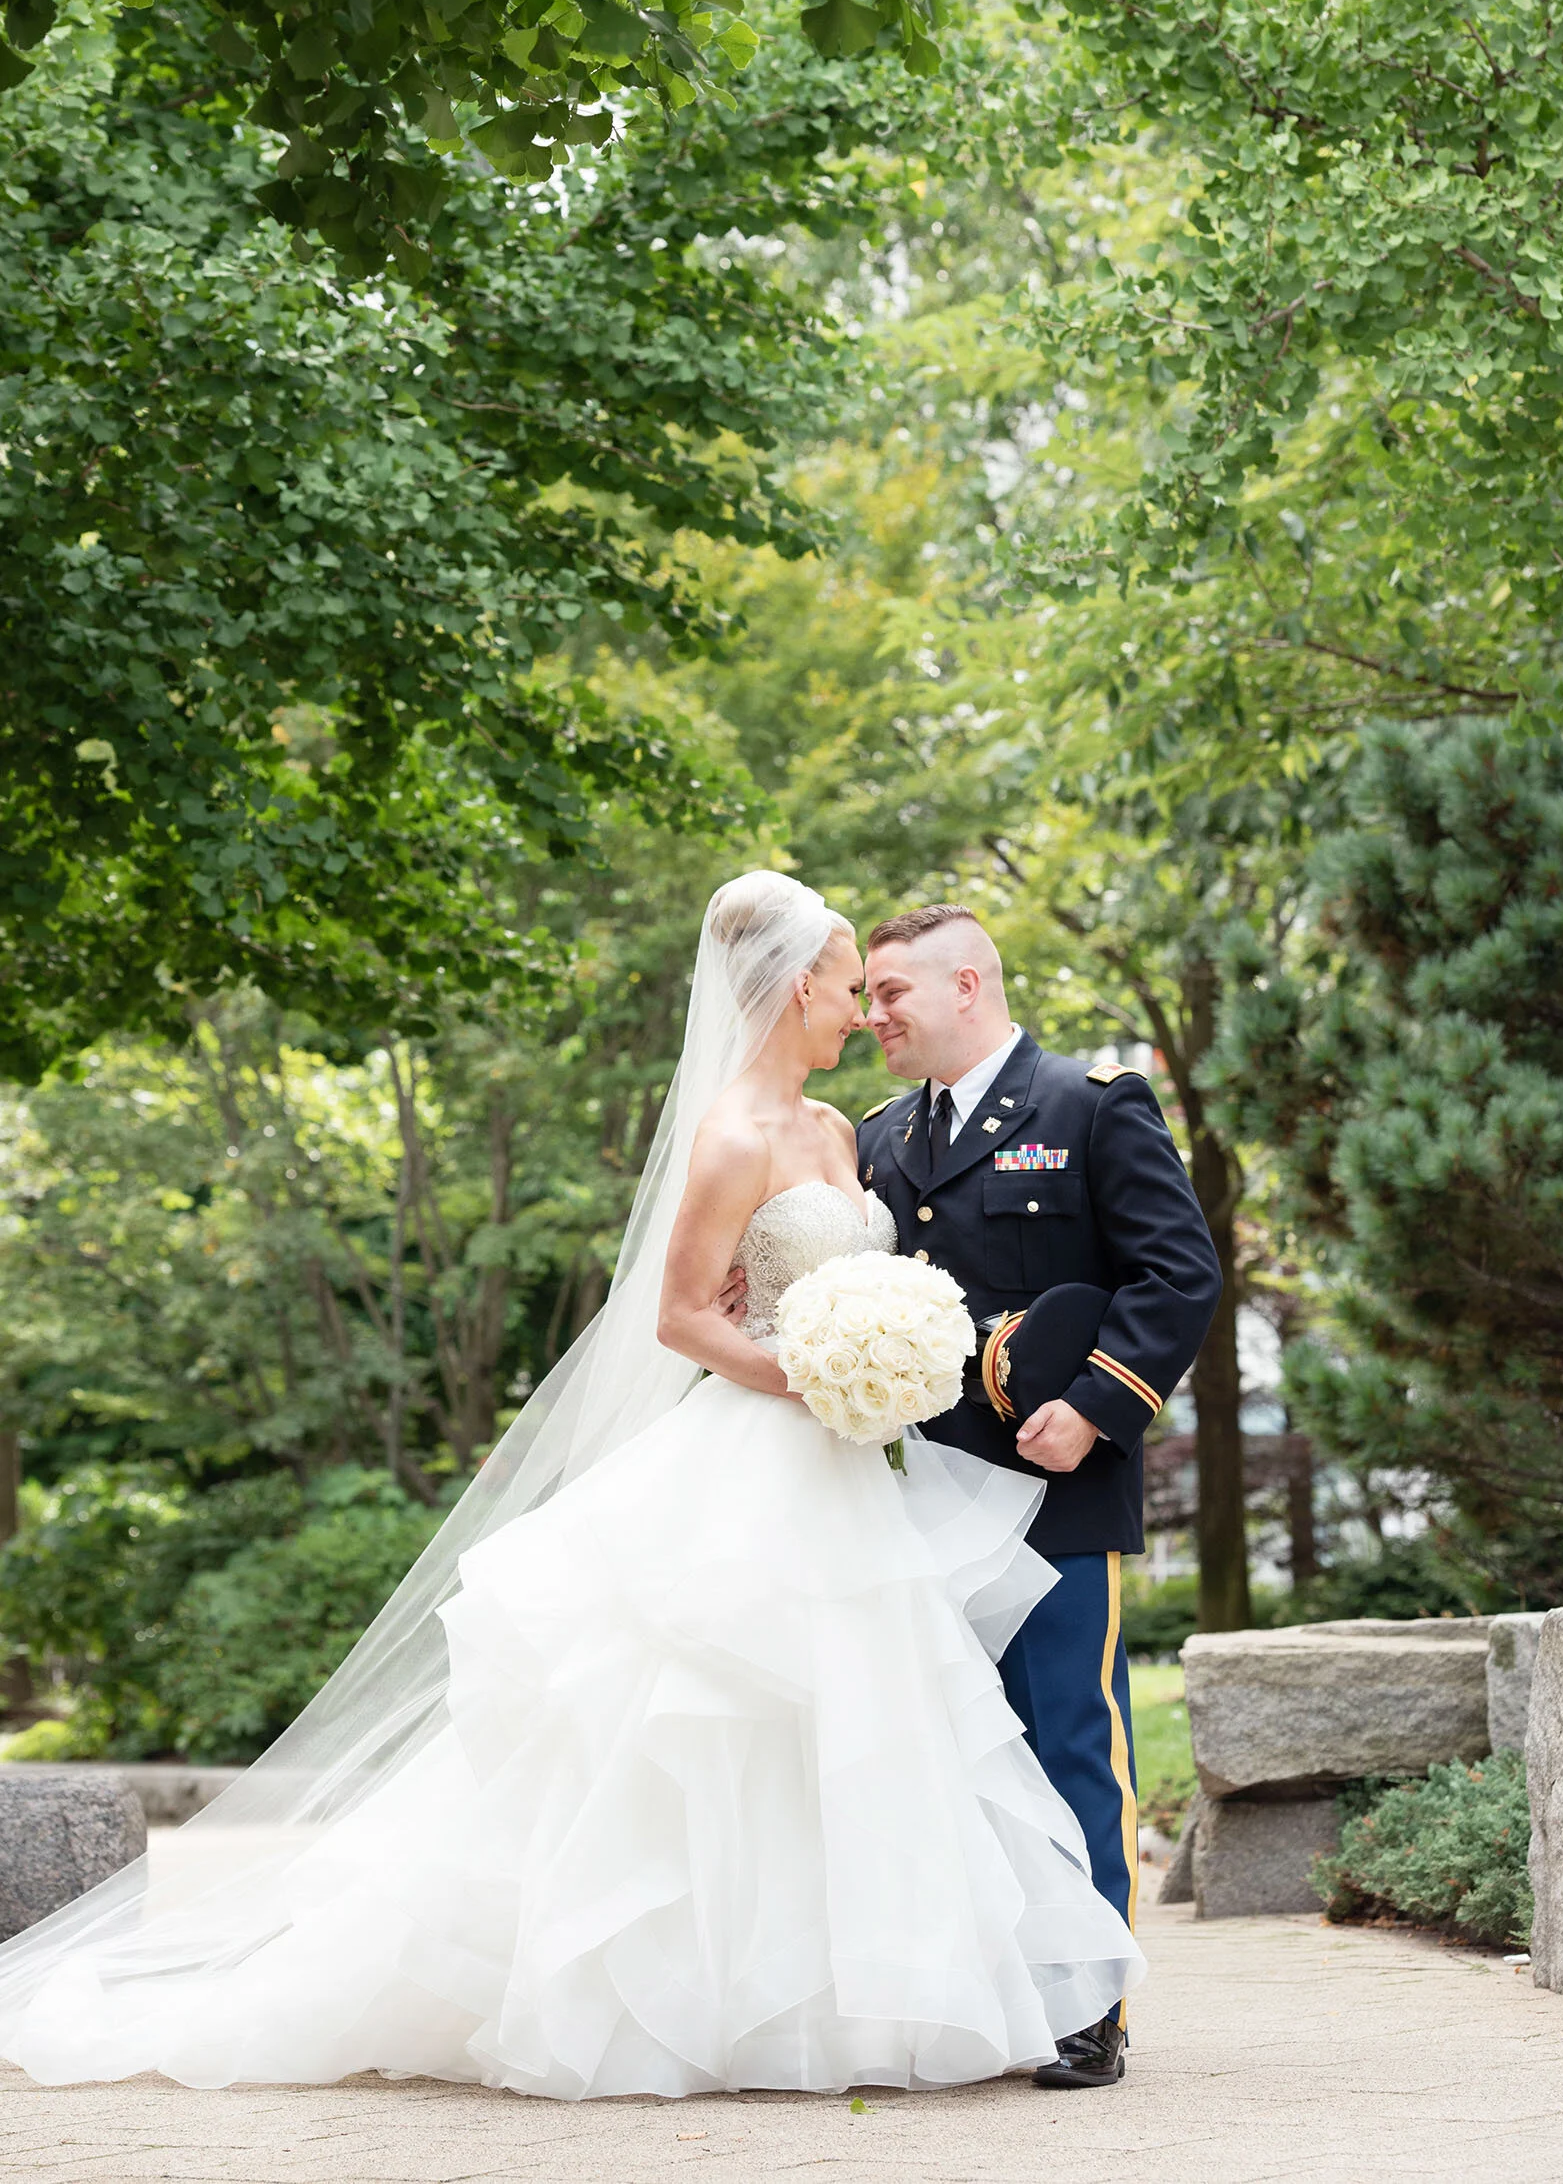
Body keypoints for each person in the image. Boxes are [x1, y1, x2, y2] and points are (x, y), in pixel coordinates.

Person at [0, 872, 1141, 2101]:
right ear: (791, 987)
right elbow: (682, 1319)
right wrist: (820, 1379)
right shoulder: (734, 1135)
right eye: (847, 984)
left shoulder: (845, 1132)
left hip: (859, 1473)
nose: (862, 1009)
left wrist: (888, 1370)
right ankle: (689, 2000)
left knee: (864, 1731)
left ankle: (876, 1998)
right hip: (769, 1455)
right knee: (709, 1729)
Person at [858, 905, 1222, 2089]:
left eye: (892, 992)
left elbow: (1179, 1271)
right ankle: (987, 1989)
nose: (875, 1016)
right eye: (865, 994)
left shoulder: (1091, 1104)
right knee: (952, 1756)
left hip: (1051, 1493)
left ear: (968, 983)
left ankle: (1089, 2003)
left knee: (1068, 1741)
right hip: (912, 1503)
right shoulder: (875, 1139)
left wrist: (1104, 1403)